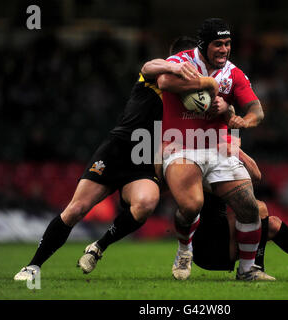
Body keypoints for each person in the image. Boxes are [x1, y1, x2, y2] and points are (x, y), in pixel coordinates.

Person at [13, 38, 216, 281]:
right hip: (116, 150)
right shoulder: (159, 74)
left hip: (143, 160)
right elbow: (148, 65)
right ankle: (33, 266)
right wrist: (172, 67)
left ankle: (99, 246)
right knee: (76, 209)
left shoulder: (192, 95)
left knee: (145, 204)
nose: (191, 64)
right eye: (187, 59)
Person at [157, 18, 264, 281]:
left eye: (228, 44)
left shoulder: (234, 73)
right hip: (180, 146)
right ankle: (184, 250)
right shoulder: (182, 61)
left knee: (250, 208)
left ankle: (248, 271)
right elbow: (163, 82)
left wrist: (239, 119)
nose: (224, 49)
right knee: (192, 205)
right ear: (204, 45)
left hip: (217, 150)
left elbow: (257, 111)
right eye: (218, 44)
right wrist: (204, 85)